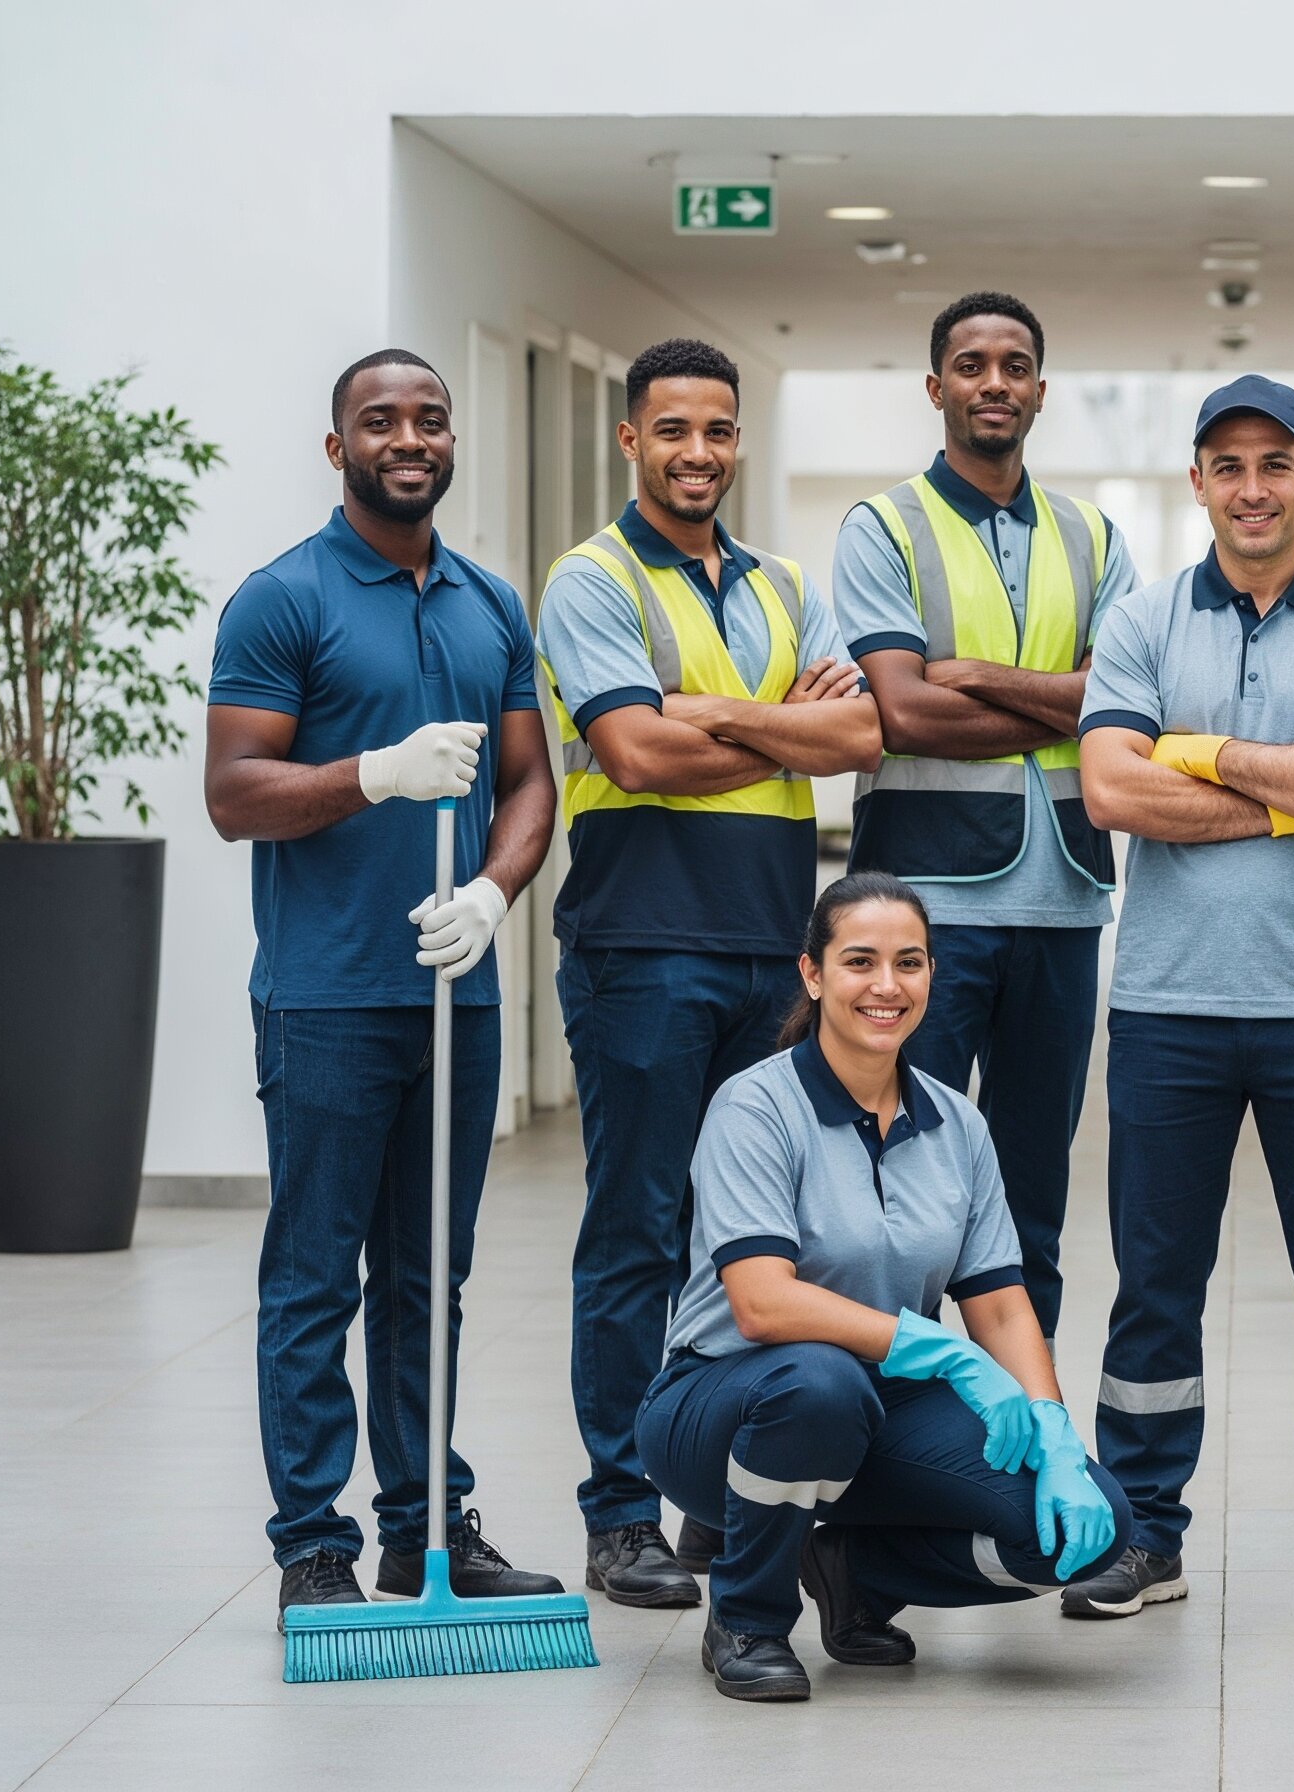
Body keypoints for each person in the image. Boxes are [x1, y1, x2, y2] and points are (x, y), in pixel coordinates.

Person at [207, 349, 564, 1625]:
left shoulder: (488, 604)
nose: (408, 438)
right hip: (326, 996)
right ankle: (315, 1543)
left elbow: (533, 783)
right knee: (316, 1278)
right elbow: (234, 794)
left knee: (430, 1277)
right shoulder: (282, 599)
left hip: (453, 998)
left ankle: (429, 1524)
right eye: (379, 421)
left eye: (428, 419)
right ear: (337, 447)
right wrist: (371, 774)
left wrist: (491, 893)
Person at [1066, 376, 1294, 1628]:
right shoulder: (1143, 619)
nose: (1253, 486)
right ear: (1199, 483)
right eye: (1229, 464)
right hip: (1168, 1004)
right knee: (1154, 1280)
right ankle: (1142, 1531)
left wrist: (1197, 750)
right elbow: (1109, 790)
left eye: (1276, 462)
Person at [536, 337, 883, 1608]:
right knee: (637, 1232)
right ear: (632, 440)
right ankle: (621, 1509)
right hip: (641, 951)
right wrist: (763, 714)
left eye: (717, 431)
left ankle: (716, 1498)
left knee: (749, 1241)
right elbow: (629, 752)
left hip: (766, 960)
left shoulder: (786, 581)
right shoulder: (590, 578)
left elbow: (860, 732)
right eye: (672, 430)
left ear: (738, 443)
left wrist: (709, 707)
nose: (697, 452)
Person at [639, 872, 1127, 1700]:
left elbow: (1002, 1303)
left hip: (883, 1404)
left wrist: (1053, 1428)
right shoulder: (756, 1107)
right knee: (818, 1385)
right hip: (722, 1405)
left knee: (1086, 1531)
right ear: (813, 974)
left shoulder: (956, 1122)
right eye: (860, 961)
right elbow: (761, 1303)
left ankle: (851, 1570)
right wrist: (935, 1348)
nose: (886, 986)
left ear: (933, 975)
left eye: (910, 962)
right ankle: (747, 1621)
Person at [836, 292, 1136, 1351]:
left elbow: (1121, 708)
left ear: (1041, 391)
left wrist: (976, 675)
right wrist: (1048, 693)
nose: (994, 382)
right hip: (926, 914)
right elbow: (902, 712)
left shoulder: (1094, 535)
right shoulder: (884, 527)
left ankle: (1020, 1433)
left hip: (1061, 906)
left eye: (1014, 365)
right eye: (971, 364)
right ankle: (898, 1453)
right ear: (937, 388)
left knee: (1029, 1199)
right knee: (902, 1192)